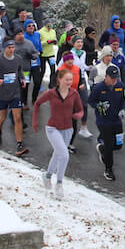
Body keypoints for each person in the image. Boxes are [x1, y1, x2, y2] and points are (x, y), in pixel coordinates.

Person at [34, 68, 84, 197]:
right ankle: (59, 184)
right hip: (52, 128)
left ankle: (47, 175)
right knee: (64, 154)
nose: (69, 82)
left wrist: (78, 115)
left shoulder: (74, 94)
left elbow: (80, 110)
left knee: (58, 155)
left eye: (71, 80)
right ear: (59, 79)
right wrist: (35, 121)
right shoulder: (51, 93)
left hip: (68, 129)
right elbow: (37, 104)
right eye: (67, 79)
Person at [0, 39, 29, 156]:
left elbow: (19, 70)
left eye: (13, 48)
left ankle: (19, 143)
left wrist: (22, 78)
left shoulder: (17, 59)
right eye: (9, 48)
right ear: (4, 48)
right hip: (3, 93)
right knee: (3, 116)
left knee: (17, 118)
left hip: (15, 92)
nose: (11, 50)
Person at [88, 64, 125, 181]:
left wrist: (123, 109)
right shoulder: (98, 88)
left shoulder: (120, 86)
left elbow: (123, 100)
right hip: (103, 121)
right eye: (112, 78)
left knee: (118, 145)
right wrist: (98, 106)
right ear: (106, 77)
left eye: (116, 78)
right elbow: (91, 101)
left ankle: (102, 148)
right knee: (109, 146)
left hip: (116, 120)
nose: (114, 80)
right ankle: (108, 169)